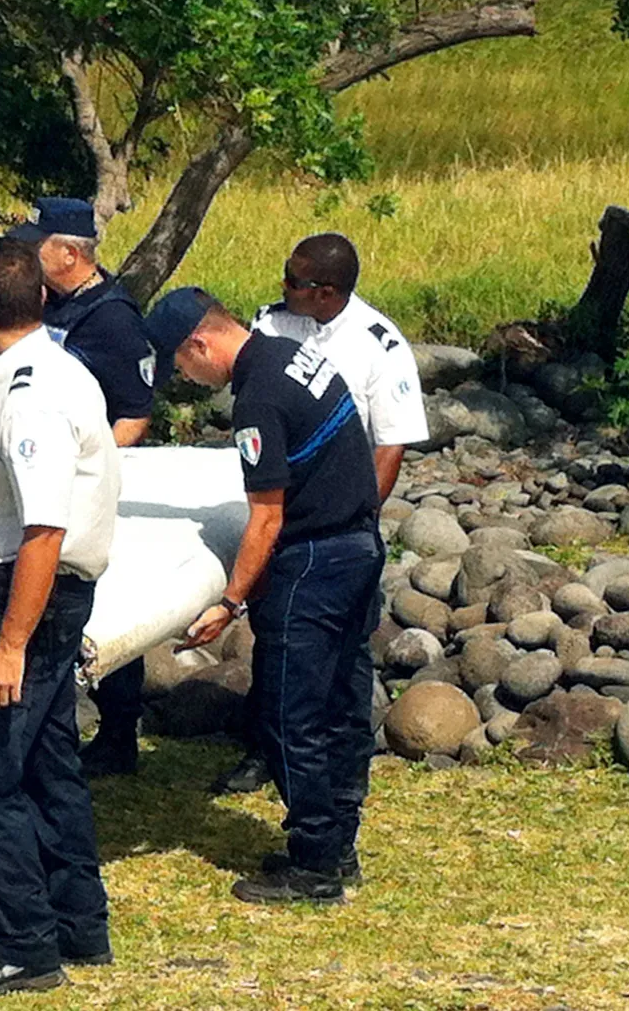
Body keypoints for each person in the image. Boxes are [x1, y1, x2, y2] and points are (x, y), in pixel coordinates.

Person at [141, 286, 384, 906]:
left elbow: (266, 518)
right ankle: (337, 844)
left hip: (310, 564)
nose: (184, 379)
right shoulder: (289, 354)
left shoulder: (257, 399)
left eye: (180, 365)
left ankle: (315, 865)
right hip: (359, 543)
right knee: (340, 703)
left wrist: (229, 601)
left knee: (287, 715)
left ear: (200, 343)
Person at [0, 237, 119, 995]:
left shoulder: (31, 395)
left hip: (26, 595)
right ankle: (79, 919)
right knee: (48, 765)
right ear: (43, 297)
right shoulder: (63, 369)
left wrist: (8, 642)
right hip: (52, 593)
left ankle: (24, 941)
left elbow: (44, 527)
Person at [213, 232, 429, 796]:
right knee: (275, 635)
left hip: (336, 517)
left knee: (343, 652)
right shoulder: (272, 323)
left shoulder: (378, 345)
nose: (282, 286)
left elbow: (390, 445)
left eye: (294, 279)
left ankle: (343, 767)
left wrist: (353, 516)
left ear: (327, 291)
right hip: (278, 504)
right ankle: (263, 749)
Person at [7, 196, 155, 778]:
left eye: (36, 245)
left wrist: (93, 470)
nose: (27, 255)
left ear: (69, 254)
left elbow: (136, 412)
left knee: (102, 603)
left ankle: (118, 732)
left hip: (90, 484)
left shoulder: (113, 317)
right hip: (47, 471)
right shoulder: (53, 308)